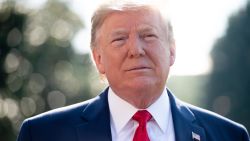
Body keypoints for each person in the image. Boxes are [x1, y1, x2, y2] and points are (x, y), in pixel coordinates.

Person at [17, 2, 249, 141]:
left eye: (148, 35)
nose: (136, 50)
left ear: (171, 51)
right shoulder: (42, 134)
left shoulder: (229, 136)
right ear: (98, 59)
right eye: (119, 39)